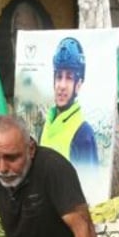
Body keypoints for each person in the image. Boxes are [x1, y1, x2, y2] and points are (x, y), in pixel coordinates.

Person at [39, 37, 99, 165]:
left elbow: (90, 184)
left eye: (69, 78)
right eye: (59, 77)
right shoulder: (45, 126)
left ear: (78, 85)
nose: (62, 85)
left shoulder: (83, 134)